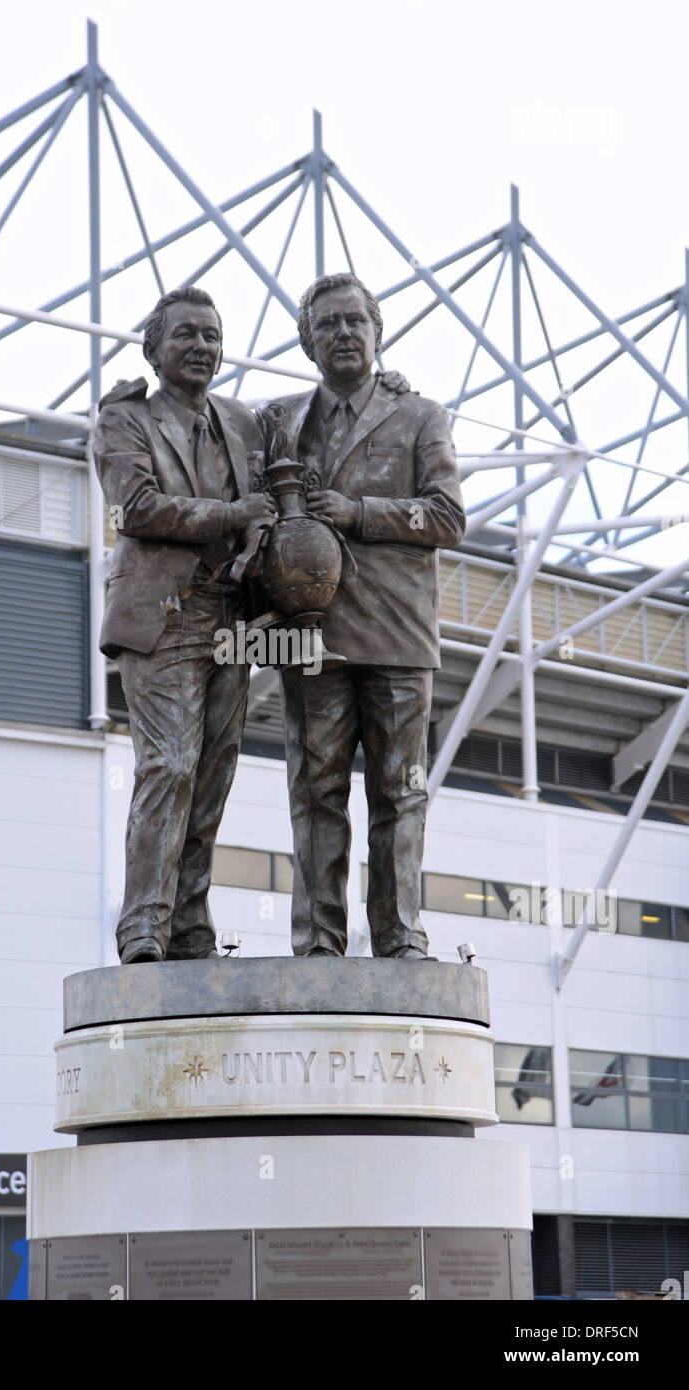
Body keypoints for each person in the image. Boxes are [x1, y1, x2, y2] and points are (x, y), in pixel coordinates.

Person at [256, 272, 466, 959]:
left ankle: (401, 937)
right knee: (313, 793)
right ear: (307, 341)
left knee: (399, 794)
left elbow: (447, 516)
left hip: (398, 635)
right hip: (312, 640)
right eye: (328, 324)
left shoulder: (420, 415)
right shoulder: (278, 421)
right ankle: (316, 944)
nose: (343, 333)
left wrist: (360, 514)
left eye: (355, 321)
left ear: (377, 333)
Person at [94, 286, 274, 963]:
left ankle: (191, 925)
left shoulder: (242, 422)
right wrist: (234, 515)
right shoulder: (125, 419)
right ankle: (144, 924)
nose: (201, 347)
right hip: (162, 618)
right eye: (186, 335)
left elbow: (311, 430)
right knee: (167, 765)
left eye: (211, 335)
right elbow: (138, 508)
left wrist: (386, 380)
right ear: (155, 349)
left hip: (230, 617)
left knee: (211, 773)